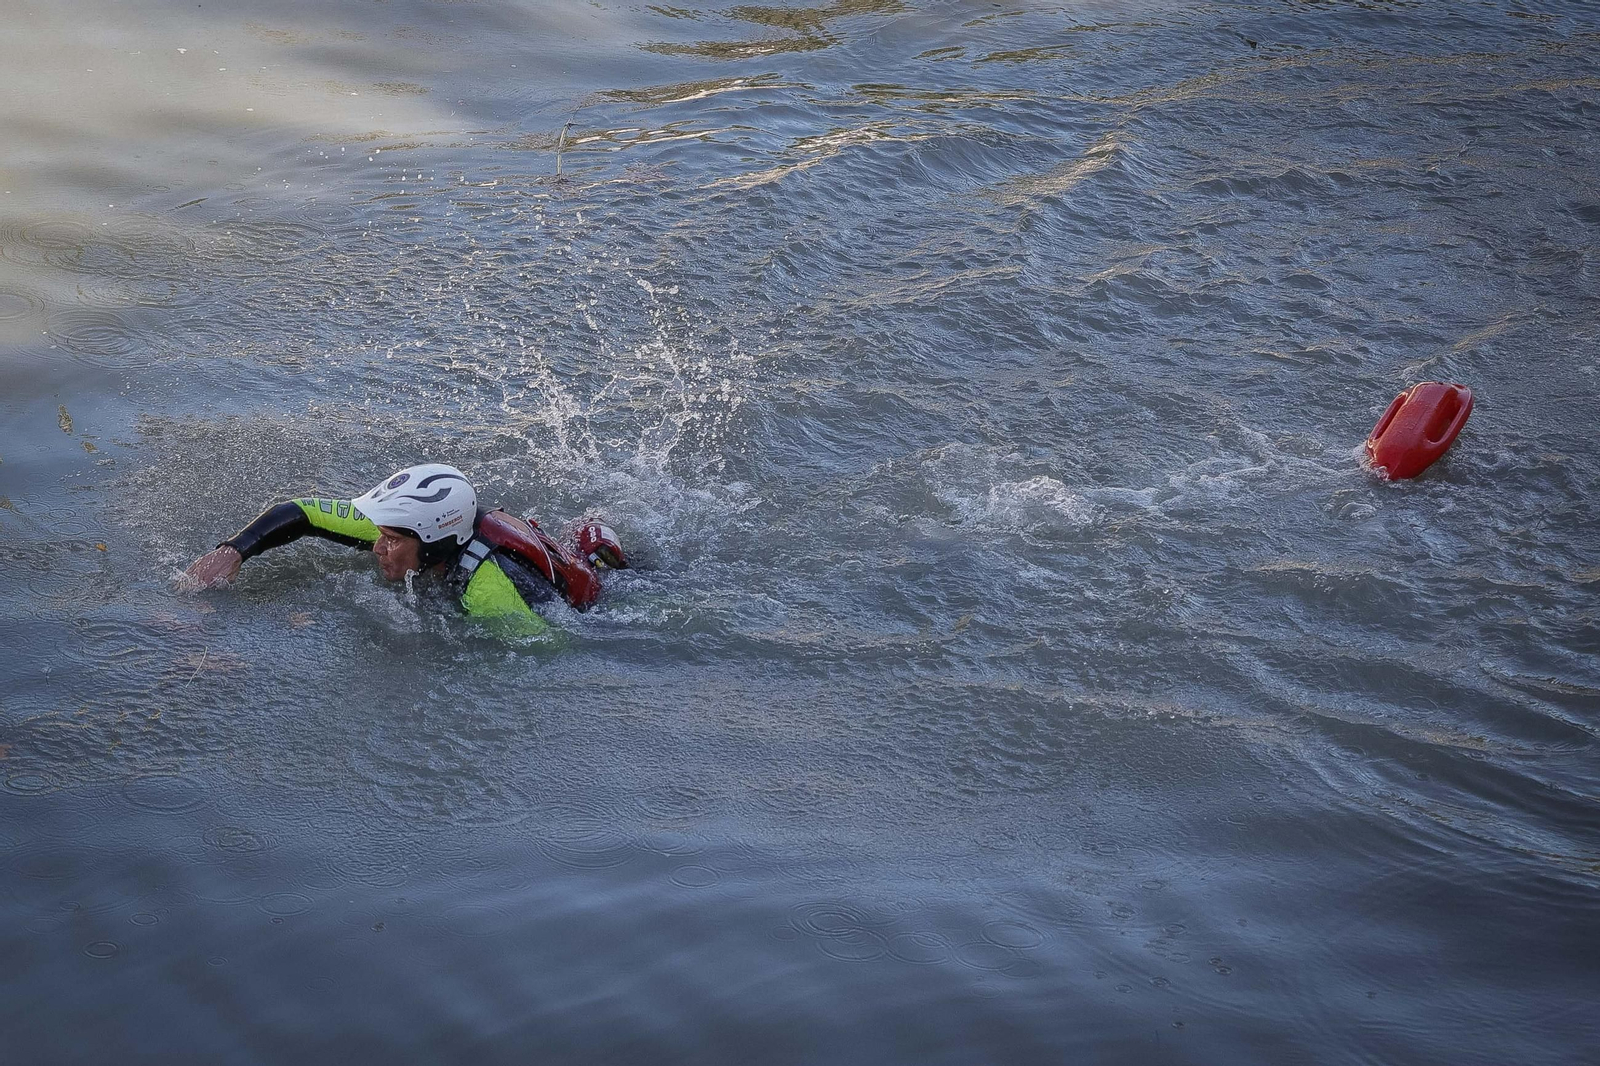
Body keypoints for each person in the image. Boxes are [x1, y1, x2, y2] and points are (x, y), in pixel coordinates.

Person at [184, 463, 626, 636]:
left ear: (433, 545)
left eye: (391, 541)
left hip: (580, 598)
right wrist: (233, 551)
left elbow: (551, 646)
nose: (376, 546)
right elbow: (298, 511)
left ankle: (597, 541)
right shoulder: (401, 523)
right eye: (381, 533)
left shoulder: (487, 590)